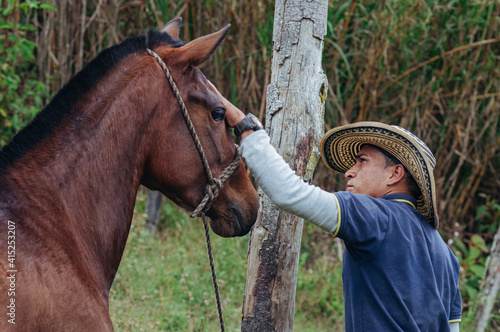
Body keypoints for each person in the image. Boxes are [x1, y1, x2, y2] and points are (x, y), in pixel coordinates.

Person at [216, 91, 462, 331]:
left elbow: (288, 192)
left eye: (362, 161)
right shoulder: (447, 256)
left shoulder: (375, 216)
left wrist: (246, 128)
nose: (349, 172)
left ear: (395, 173)